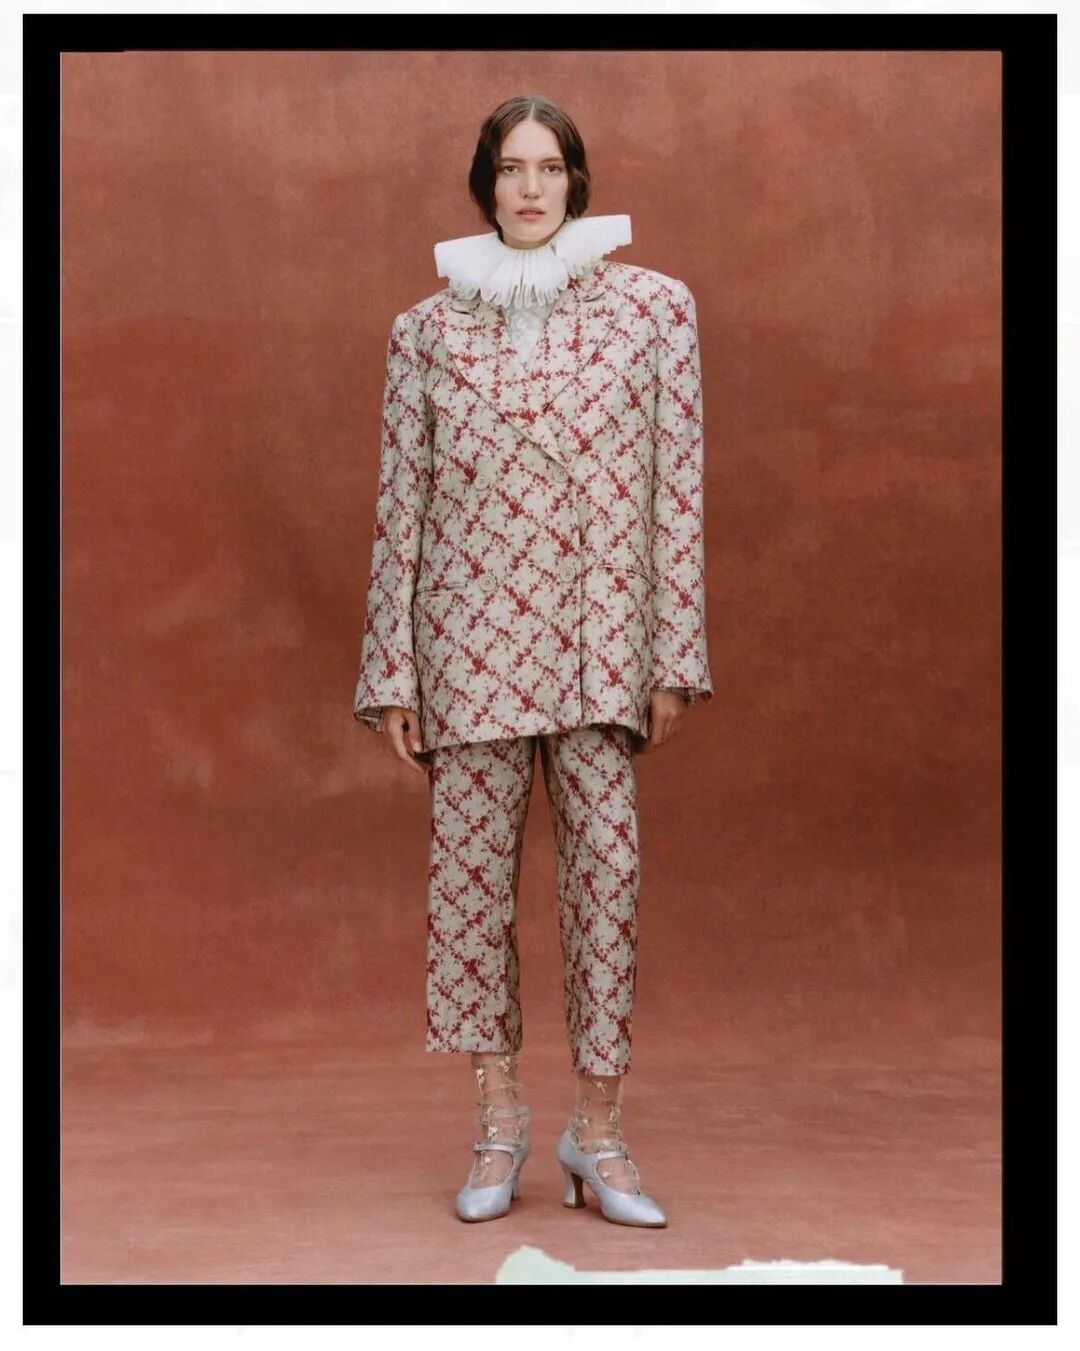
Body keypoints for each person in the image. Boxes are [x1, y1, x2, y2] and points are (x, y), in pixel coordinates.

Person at [352, 94, 713, 1227]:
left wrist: (673, 650)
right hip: (466, 645)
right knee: (469, 889)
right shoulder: (426, 329)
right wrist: (394, 668)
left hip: (603, 640)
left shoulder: (654, 310)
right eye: (510, 169)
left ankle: (597, 1133)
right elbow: (401, 503)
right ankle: (498, 1121)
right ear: (485, 184)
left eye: (548, 168)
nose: (529, 188)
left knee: (607, 873)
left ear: (577, 181)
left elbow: (676, 488)